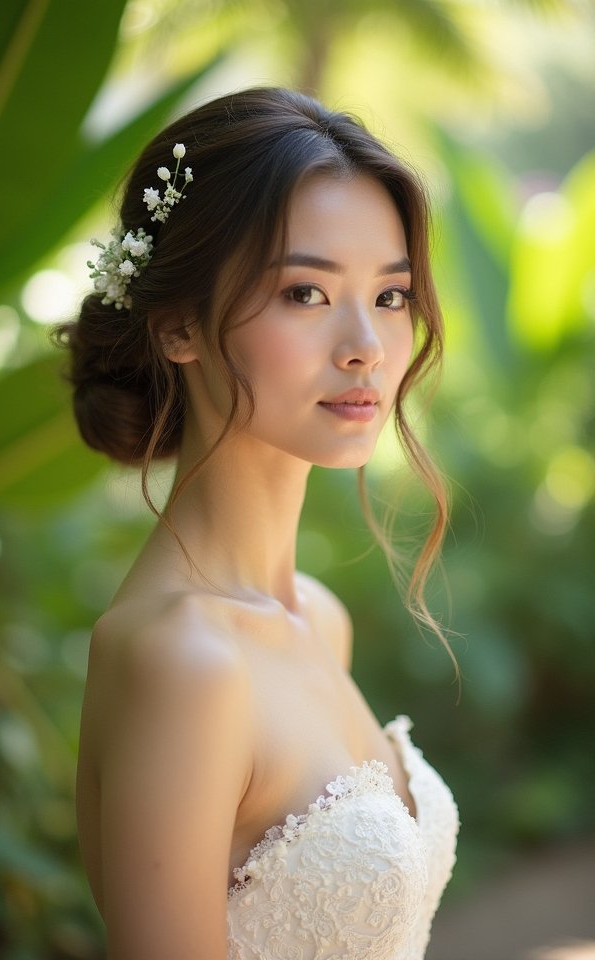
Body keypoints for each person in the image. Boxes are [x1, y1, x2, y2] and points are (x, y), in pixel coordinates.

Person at [59, 86, 459, 960]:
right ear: (176, 328)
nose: (366, 346)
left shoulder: (318, 618)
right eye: (306, 293)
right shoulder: (182, 661)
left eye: (390, 297)